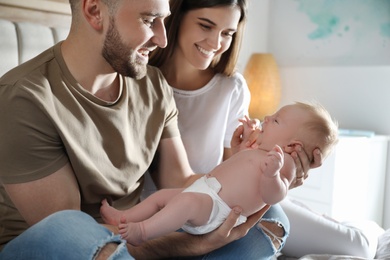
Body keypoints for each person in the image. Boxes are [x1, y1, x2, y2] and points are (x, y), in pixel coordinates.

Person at [0, 0, 271, 259]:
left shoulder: (153, 85)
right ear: (95, 11)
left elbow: (179, 182)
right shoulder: (23, 98)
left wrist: (245, 167)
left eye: (163, 21)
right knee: (80, 236)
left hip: (133, 234)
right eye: (150, 20)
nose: (162, 39)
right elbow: (70, 233)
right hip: (57, 246)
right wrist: (189, 244)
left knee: (265, 219)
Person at [145, 0, 322, 258]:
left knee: (278, 219)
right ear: (176, 17)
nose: (216, 43)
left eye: (227, 33)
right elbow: (174, 181)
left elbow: (237, 180)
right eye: (206, 25)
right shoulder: (144, 81)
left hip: (215, 206)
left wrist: (254, 160)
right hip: (168, 209)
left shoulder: (231, 88)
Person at [100, 102, 339, 247]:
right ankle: (124, 217)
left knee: (185, 203)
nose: (267, 118)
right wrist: (241, 147)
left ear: (293, 146)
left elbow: (274, 195)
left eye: (276, 120)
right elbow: (238, 166)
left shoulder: (283, 162)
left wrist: (272, 175)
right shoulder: (262, 150)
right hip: (206, 189)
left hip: (218, 208)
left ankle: (142, 232)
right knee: (162, 197)